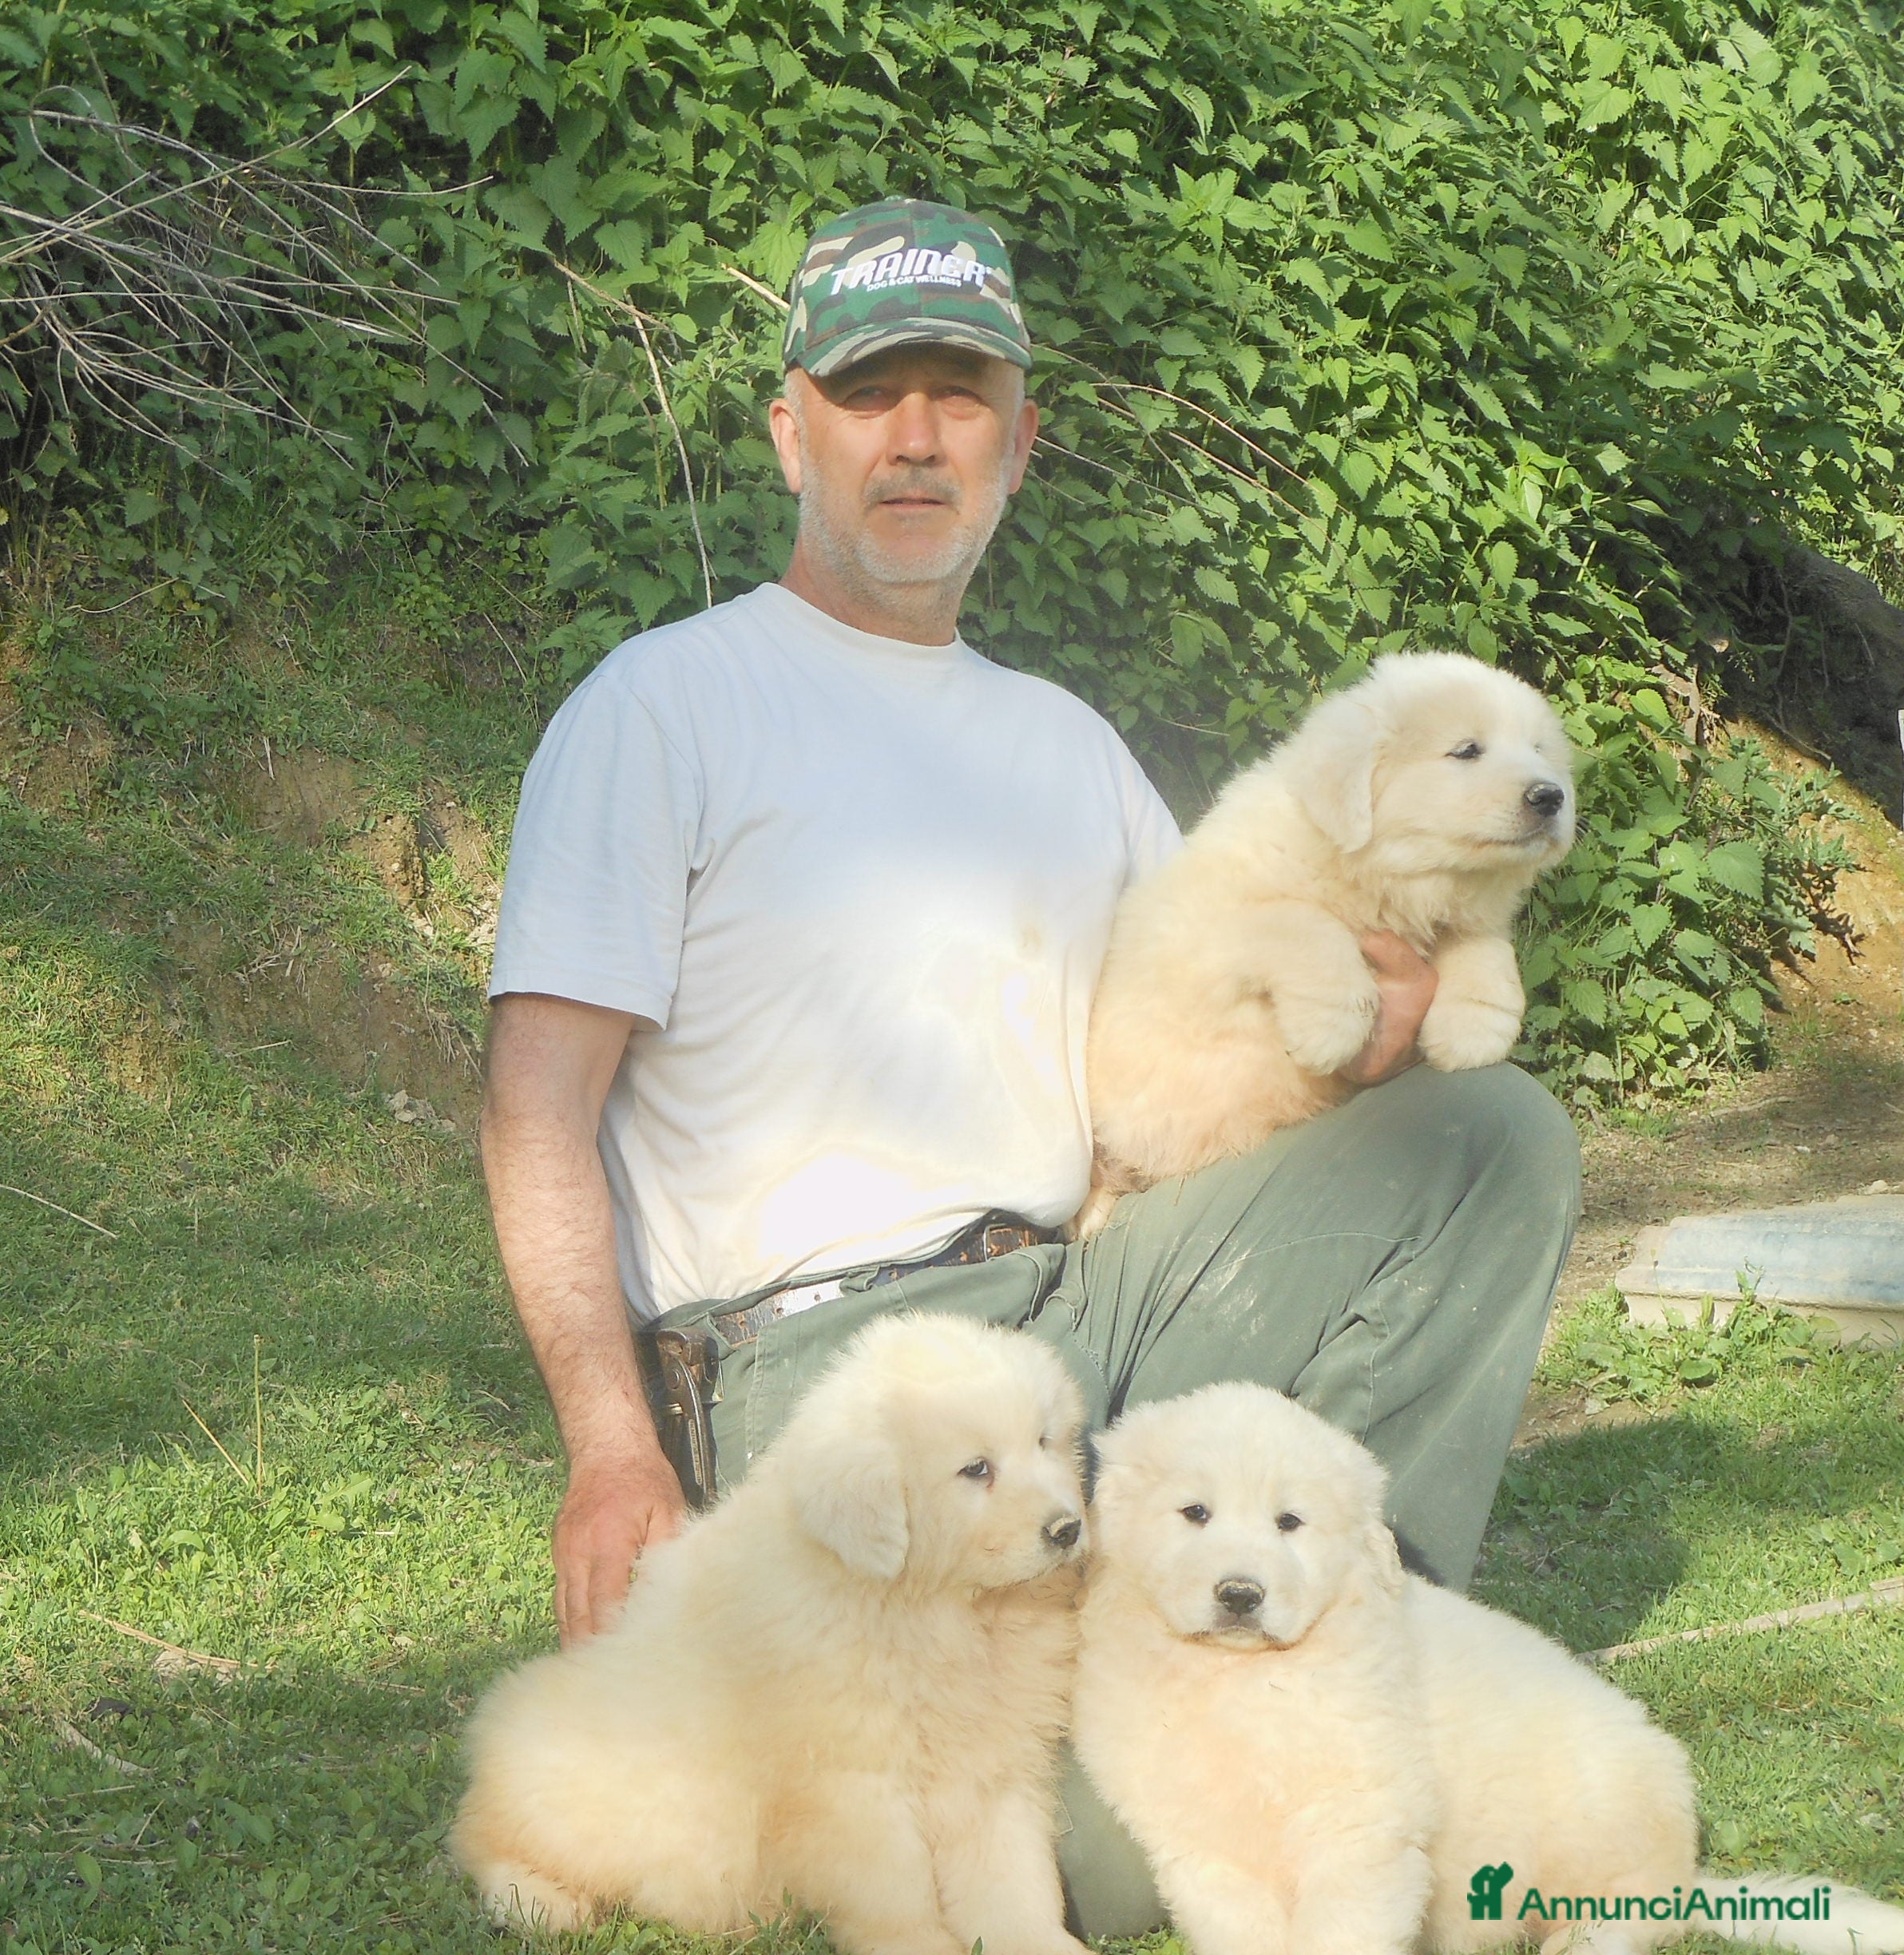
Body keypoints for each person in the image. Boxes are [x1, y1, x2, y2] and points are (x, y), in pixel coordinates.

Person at [478, 196, 1580, 1937]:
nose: (915, 438)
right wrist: (612, 1446)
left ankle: (1344, 1634)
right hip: (836, 1376)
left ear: (1019, 438)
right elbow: (539, 1102)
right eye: (868, 393)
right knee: (1119, 1861)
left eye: (960, 394)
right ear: (790, 431)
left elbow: (1198, 1025)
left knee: (1490, 1140)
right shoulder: (666, 706)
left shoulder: (1067, 745)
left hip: (1090, 1301)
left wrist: (1369, 1016)